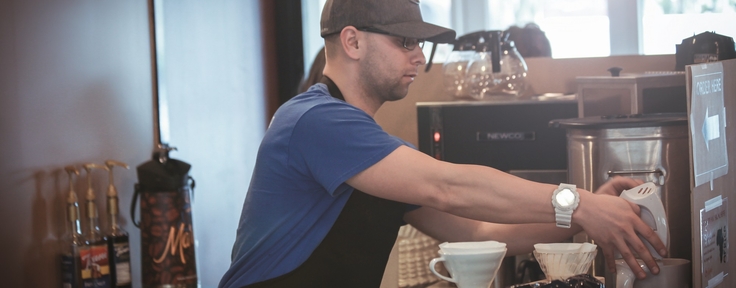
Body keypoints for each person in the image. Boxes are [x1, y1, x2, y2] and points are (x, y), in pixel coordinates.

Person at [218, 0, 666, 287]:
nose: (418, 56)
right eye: (404, 41)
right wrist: (580, 203)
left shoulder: (373, 150)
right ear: (352, 41)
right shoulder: (313, 120)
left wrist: (586, 216)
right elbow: (448, 187)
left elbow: (478, 232)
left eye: (420, 44)